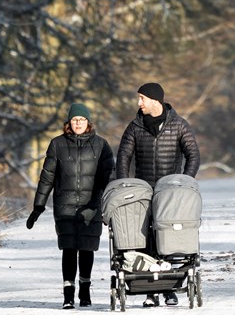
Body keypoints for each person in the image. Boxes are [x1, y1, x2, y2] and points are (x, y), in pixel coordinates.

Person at [115, 82, 200, 307]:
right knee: (145, 237)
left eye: (142, 98)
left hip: (170, 192)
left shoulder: (179, 125)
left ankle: (169, 289)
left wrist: (184, 182)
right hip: (142, 191)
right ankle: (150, 290)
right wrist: (125, 185)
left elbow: (193, 155)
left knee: (168, 237)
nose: (139, 103)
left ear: (155, 100)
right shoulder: (135, 127)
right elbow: (123, 157)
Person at [26, 103, 115, 309]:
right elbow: (47, 178)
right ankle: (68, 296)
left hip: (91, 206)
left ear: (88, 123)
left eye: (82, 120)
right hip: (64, 206)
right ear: (69, 122)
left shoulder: (101, 145)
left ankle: (85, 292)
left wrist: (108, 203)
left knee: (86, 249)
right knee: (68, 249)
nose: (78, 123)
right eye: (75, 120)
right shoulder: (57, 144)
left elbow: (109, 176)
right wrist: (38, 207)